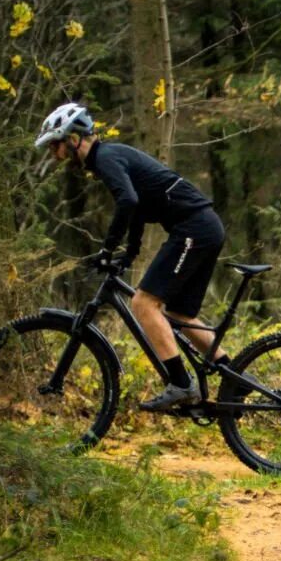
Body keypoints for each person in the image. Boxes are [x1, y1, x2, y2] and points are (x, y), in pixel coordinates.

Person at [35, 103, 226, 410]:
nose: (53, 155)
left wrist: (108, 248)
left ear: (73, 139)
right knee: (178, 315)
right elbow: (137, 207)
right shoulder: (110, 157)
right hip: (203, 227)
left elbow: (128, 201)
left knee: (143, 303)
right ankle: (232, 375)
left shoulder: (106, 157)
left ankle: (180, 384)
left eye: (54, 146)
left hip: (194, 228)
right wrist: (129, 253)